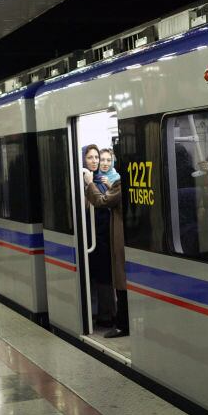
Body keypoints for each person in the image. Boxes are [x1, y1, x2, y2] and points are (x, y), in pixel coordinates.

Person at [83, 169, 129, 338]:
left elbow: (101, 201)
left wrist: (90, 183)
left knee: (121, 279)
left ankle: (123, 324)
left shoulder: (120, 183)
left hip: (120, 237)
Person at [82, 145, 115, 327]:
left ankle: (106, 313)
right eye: (90, 158)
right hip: (89, 235)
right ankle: (95, 311)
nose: (95, 161)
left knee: (104, 275)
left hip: (102, 235)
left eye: (97, 157)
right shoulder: (83, 180)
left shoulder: (102, 180)